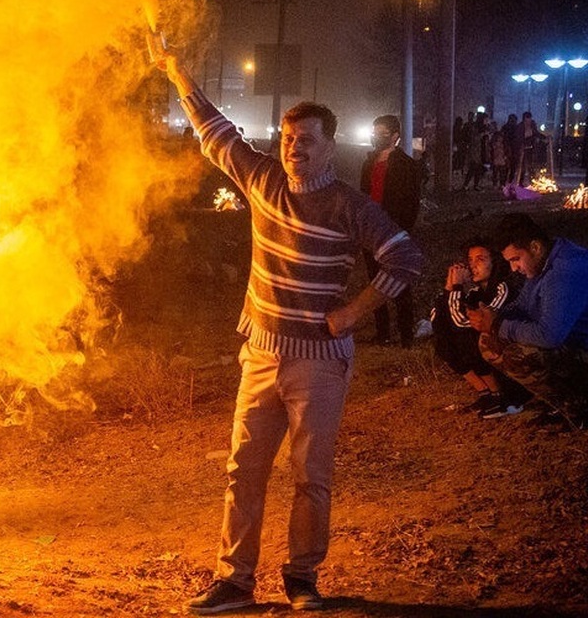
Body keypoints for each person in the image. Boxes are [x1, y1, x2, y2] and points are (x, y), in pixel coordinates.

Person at [155, 52, 423, 614]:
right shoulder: (261, 179)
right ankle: (234, 580)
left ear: (330, 146)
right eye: (287, 138)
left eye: (306, 139)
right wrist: (177, 71)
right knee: (243, 470)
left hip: (320, 363)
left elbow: (405, 260)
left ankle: (303, 577)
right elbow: (215, 131)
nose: (293, 147)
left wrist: (353, 313)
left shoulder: (351, 206)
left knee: (310, 476)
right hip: (260, 353)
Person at [467, 213, 588, 430]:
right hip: (580, 349)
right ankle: (566, 403)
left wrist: (498, 324)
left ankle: (583, 409)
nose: (513, 268)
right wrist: (493, 316)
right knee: (489, 341)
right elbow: (523, 307)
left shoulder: (565, 272)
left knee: (522, 354)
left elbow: (550, 335)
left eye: (516, 259)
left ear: (535, 247)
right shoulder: (543, 266)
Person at [431, 238, 528, 418]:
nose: (473, 265)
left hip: (514, 350)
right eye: (470, 260)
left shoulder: (502, 289)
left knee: (467, 336)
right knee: (443, 340)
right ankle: (486, 393)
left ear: (495, 262)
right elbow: (438, 321)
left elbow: (461, 323)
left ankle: (504, 395)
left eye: (480, 259)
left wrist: (457, 288)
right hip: (496, 350)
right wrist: (448, 287)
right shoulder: (476, 293)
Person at [359, 114, 423, 347]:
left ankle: (406, 334)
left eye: (382, 133)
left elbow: (411, 203)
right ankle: (383, 332)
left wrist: (402, 232)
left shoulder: (406, 166)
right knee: (376, 282)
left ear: (395, 136)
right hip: (370, 231)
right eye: (375, 132)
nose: (377, 137)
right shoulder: (369, 162)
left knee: (399, 284)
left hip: (394, 232)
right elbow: (364, 196)